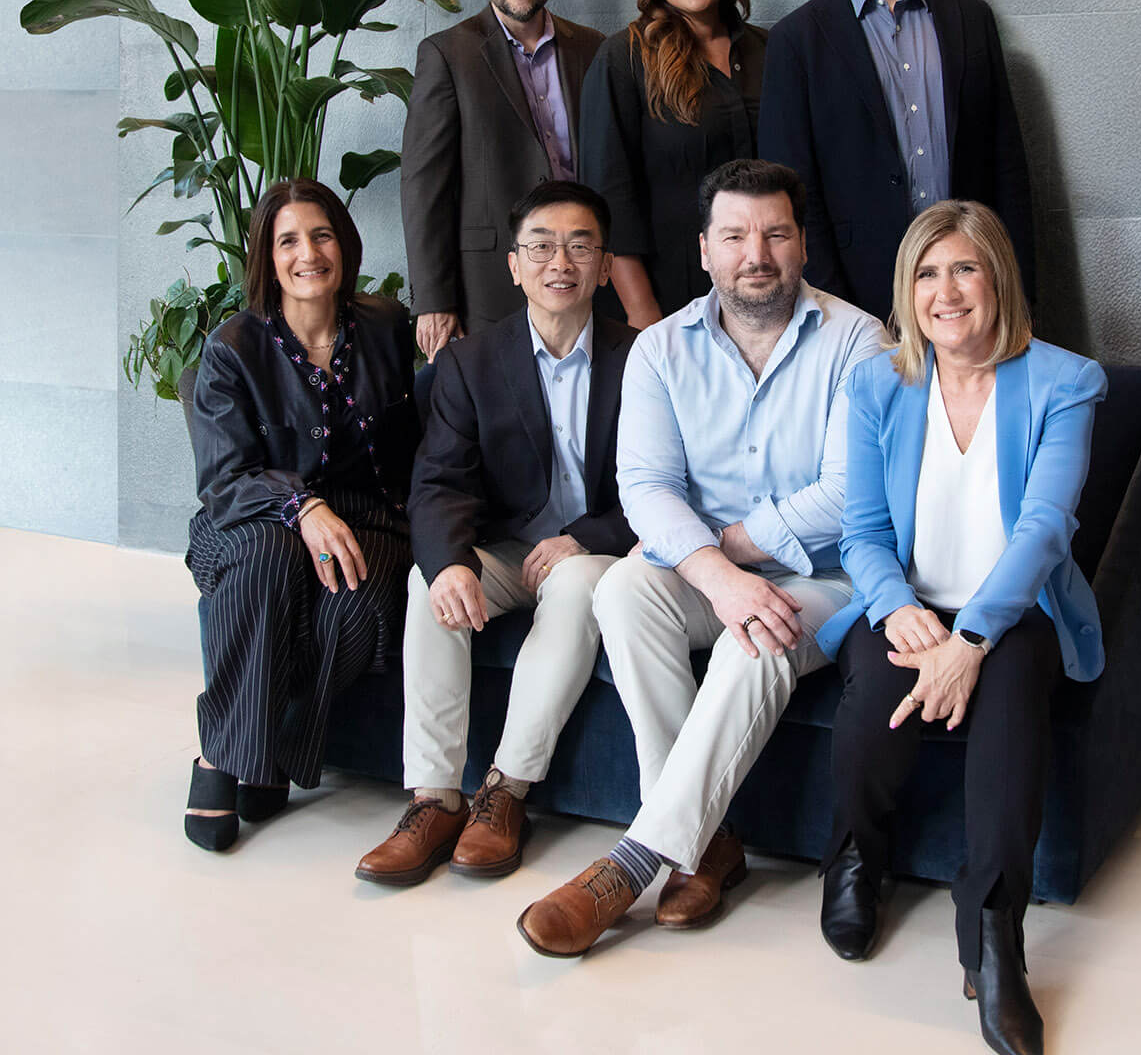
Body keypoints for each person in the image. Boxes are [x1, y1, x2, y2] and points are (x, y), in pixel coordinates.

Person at [516, 159, 888, 957]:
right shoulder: (660, 350)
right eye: (735, 235)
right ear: (706, 251)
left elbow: (851, 490)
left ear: (801, 248)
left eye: (775, 233)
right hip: (707, 576)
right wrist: (718, 577)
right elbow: (645, 486)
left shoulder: (860, 340)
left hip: (827, 578)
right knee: (619, 591)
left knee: (757, 638)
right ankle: (707, 844)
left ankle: (636, 857)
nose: (757, 252)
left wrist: (729, 553)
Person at [815, 200, 1105, 1055]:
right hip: (904, 600)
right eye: (927, 273)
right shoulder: (875, 382)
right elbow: (861, 533)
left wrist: (970, 641)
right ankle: (858, 860)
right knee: (874, 701)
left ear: (998, 278)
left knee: (1013, 703)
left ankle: (992, 932)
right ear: (908, 292)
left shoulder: (1064, 381)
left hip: (1014, 611)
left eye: (965, 268)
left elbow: (1045, 530)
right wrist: (901, 611)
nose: (947, 291)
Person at [355, 181, 637, 885]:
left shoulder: (647, 359)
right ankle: (434, 798)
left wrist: (586, 535)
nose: (559, 262)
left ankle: (504, 792)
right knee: (431, 584)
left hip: (599, 552)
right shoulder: (472, 363)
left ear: (605, 265)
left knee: (575, 584)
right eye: (540, 246)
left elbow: (668, 487)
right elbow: (440, 482)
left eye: (580, 246)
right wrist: (450, 562)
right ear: (514, 265)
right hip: (509, 547)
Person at [183, 179, 420, 852]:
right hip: (253, 516)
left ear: (343, 243)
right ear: (267, 254)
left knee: (354, 611)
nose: (308, 253)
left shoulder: (384, 325)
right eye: (288, 240)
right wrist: (300, 506)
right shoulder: (234, 347)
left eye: (321, 235)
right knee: (268, 560)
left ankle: (271, 750)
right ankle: (221, 760)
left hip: (368, 519)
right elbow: (223, 479)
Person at [758, 0, 1035, 322]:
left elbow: (1006, 165)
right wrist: (831, 307)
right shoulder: (796, 39)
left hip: (972, 286)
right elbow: (789, 189)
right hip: (857, 292)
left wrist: (1020, 294)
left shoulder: (970, 20)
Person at [402, 0, 605, 362]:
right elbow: (424, 184)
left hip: (587, 269)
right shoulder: (447, 54)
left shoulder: (593, 48)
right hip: (490, 282)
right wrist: (435, 299)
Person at [579, 0, 767, 327]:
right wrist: (644, 315)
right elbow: (609, 196)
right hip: (666, 296)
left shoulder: (771, 51)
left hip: (764, 287)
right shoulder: (623, 57)